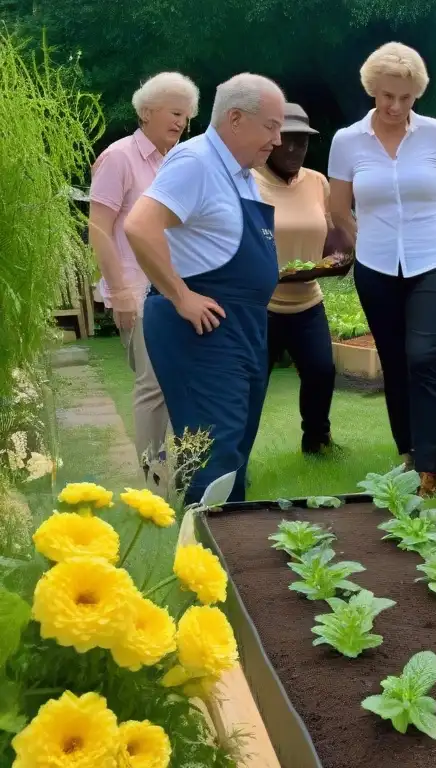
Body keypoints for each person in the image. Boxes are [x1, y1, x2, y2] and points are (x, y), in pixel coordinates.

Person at [124, 73, 286, 504]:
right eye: (271, 126)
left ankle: (230, 556)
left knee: (235, 453)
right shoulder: (195, 161)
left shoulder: (242, 174)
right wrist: (180, 295)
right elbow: (139, 226)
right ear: (235, 119)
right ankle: (208, 564)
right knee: (215, 458)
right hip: (205, 331)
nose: (278, 140)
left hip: (245, 327)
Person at [328, 42, 436, 497]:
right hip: (375, 267)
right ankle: (407, 450)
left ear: (417, 95)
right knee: (394, 361)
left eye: (405, 97)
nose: (395, 106)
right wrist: (364, 241)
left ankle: (430, 468)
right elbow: (338, 208)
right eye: (387, 95)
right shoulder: (347, 141)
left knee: (422, 357)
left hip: (434, 264)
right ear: (372, 88)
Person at [88, 72, 199, 487]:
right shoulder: (119, 157)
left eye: (186, 117)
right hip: (137, 289)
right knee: (153, 387)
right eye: (175, 113)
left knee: (180, 382)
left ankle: (186, 474)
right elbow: (99, 228)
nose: (181, 124)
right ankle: (154, 481)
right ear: (146, 111)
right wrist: (119, 294)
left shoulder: (181, 159)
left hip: (178, 287)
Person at [254, 102, 352, 455]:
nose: (295, 150)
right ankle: (237, 452)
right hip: (262, 305)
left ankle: (317, 440)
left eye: (303, 142)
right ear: (272, 140)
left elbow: (331, 235)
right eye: (288, 141)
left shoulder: (317, 182)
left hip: (307, 300)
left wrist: (340, 255)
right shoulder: (249, 181)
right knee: (253, 383)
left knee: (321, 372)